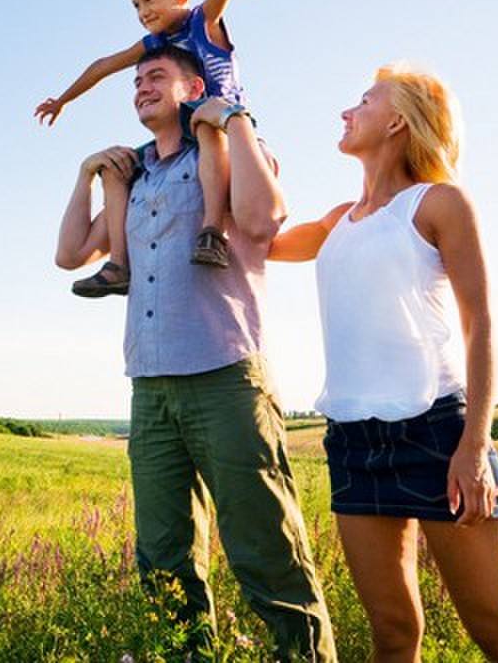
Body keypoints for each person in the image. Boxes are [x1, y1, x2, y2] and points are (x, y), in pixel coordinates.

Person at [268, 63, 498, 662]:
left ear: (398, 120)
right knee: (394, 635)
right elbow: (255, 239)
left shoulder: (439, 203)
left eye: (365, 101)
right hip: (352, 443)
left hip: (438, 435)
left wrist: (474, 448)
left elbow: (480, 325)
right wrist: (233, 135)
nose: (347, 112)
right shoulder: (335, 223)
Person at [55, 45, 336, 661]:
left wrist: (233, 119)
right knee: (162, 556)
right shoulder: (137, 181)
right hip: (150, 387)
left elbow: (264, 222)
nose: (139, 87)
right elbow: (71, 253)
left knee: (266, 546)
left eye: (155, 76)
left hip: (225, 378)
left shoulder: (226, 155)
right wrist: (84, 175)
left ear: (192, 88)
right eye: (134, 82)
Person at [39, 0, 305, 297]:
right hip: (179, 134)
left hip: (220, 122)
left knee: (204, 125)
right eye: (135, 5)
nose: (143, 12)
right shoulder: (153, 44)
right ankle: (119, 264)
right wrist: (63, 99)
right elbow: (103, 65)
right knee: (118, 168)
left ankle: (211, 230)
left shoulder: (202, 22)